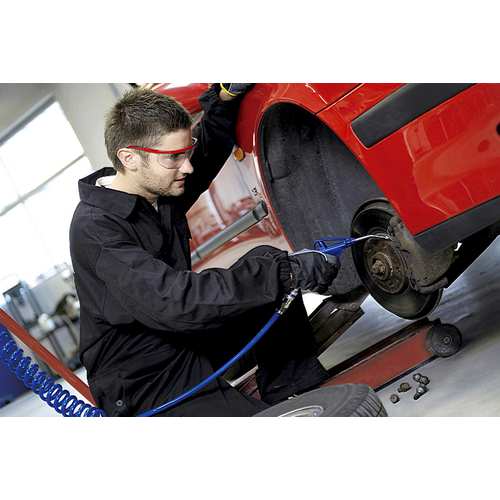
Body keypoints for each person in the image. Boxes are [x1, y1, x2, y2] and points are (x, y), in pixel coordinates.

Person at [69, 83, 340, 417]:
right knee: (273, 274)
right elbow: (174, 300)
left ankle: (290, 388)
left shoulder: (154, 187)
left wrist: (224, 96)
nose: (187, 167)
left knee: (266, 260)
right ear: (130, 158)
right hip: (146, 379)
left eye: (186, 152)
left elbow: (207, 151)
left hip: (184, 336)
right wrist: (287, 272)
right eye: (174, 158)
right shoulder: (96, 229)